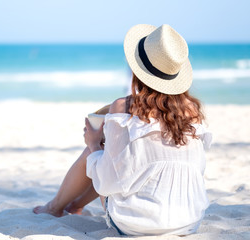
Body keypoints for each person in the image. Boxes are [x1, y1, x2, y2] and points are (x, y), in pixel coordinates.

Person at [33, 24, 212, 236]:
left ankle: (54, 208)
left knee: (97, 154)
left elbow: (109, 180)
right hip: (188, 221)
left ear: (138, 70)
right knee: (116, 159)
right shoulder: (192, 111)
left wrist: (92, 143)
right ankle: (76, 205)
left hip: (137, 224)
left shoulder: (123, 107)